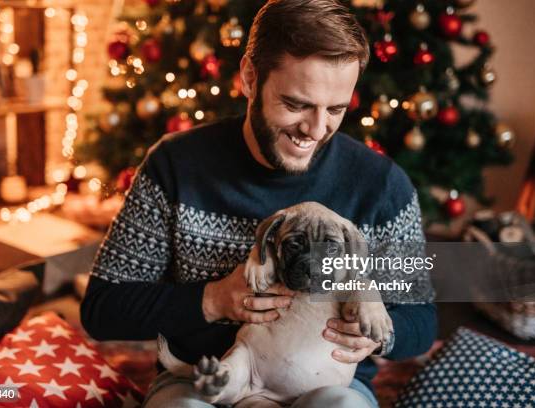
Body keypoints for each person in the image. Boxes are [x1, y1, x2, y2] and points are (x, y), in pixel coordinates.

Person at [80, 0, 437, 407]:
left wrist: (375, 335)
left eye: (336, 109)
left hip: (328, 387)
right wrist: (212, 300)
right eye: (297, 104)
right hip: (203, 381)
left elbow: (422, 318)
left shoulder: (382, 186)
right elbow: (101, 308)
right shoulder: (175, 166)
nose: (317, 130)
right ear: (250, 78)